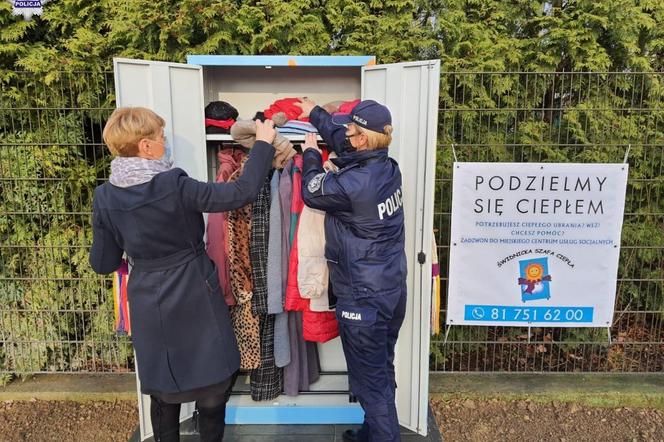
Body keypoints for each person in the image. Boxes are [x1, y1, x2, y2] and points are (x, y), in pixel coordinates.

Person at [89, 107, 276, 441]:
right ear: (146, 146)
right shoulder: (174, 184)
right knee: (214, 383)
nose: (165, 142)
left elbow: (103, 263)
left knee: (163, 389)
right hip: (196, 293)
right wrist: (263, 144)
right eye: (161, 137)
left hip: (148, 301)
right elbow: (239, 193)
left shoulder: (105, 197)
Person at [296, 98, 407, 442]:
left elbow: (311, 191)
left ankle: (383, 436)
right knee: (380, 371)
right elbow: (342, 140)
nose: (344, 133)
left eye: (351, 130)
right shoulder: (387, 166)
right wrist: (316, 113)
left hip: (362, 298)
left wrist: (312, 155)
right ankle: (372, 433)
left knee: (370, 384)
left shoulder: (352, 184)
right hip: (389, 290)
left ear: (362, 139)